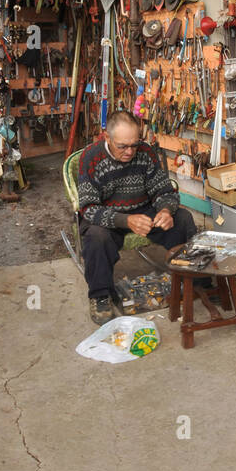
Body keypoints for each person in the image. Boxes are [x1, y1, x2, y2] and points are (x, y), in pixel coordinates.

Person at [73, 114, 191, 321]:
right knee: (96, 237)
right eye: (122, 146)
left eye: (134, 145)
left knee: (183, 219)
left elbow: (164, 190)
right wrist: (125, 220)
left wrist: (165, 210)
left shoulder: (145, 152)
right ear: (106, 138)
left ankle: (194, 280)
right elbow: (89, 208)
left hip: (143, 211)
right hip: (108, 217)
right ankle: (100, 295)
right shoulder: (91, 158)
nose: (130, 152)